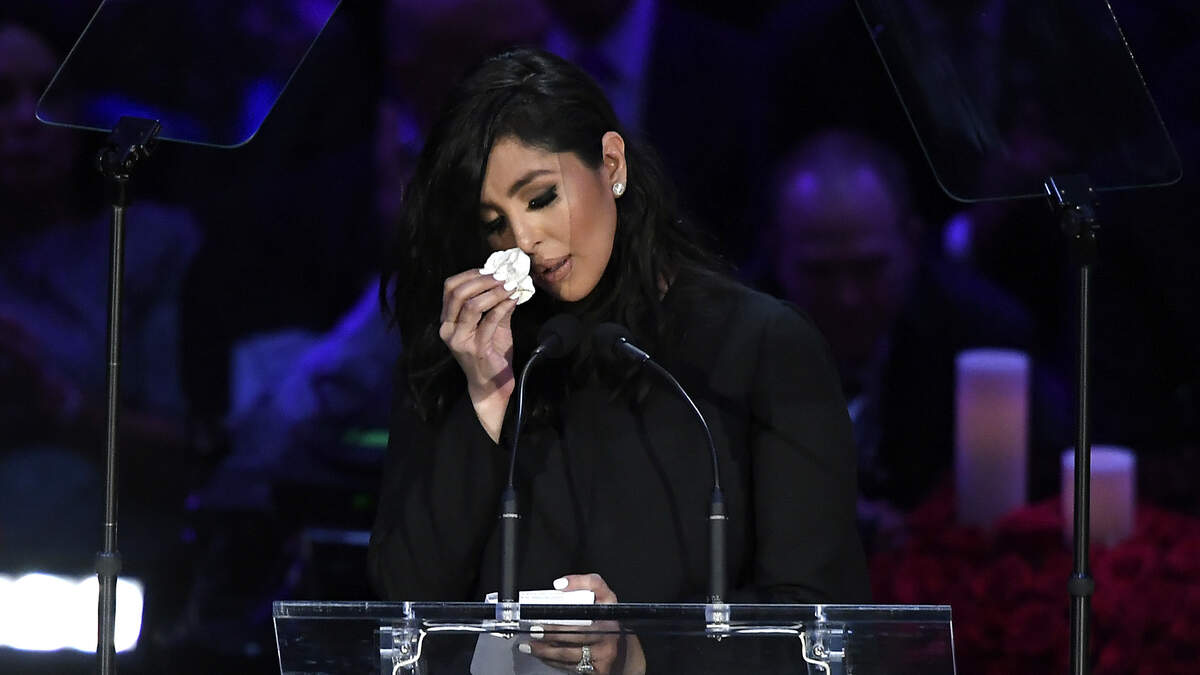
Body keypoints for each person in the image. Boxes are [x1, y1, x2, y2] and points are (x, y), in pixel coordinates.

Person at [368, 48, 868, 674]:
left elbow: (820, 621)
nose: (524, 241)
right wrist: (486, 404)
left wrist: (637, 655)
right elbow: (403, 615)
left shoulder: (761, 346)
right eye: (494, 223)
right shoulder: (470, 352)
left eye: (541, 198)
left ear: (611, 164)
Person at [767, 130, 1069, 524]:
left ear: (911, 243)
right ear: (776, 254)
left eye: (869, 269)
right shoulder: (728, 340)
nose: (847, 297)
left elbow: (1044, 482)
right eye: (819, 272)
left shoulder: (985, 336)